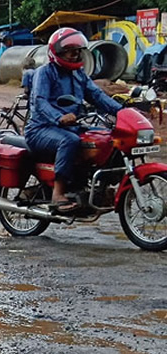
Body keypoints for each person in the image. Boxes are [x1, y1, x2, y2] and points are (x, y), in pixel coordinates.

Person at [25, 27, 122, 214]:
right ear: (58, 52)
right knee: (70, 141)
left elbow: (97, 96)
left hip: (71, 127)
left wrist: (124, 112)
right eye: (71, 51)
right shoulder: (44, 73)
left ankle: (94, 186)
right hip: (41, 129)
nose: (75, 54)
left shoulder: (79, 75)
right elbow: (40, 101)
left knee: (104, 137)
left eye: (77, 51)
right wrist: (59, 117)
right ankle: (58, 193)